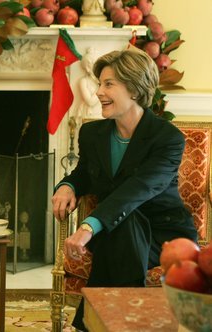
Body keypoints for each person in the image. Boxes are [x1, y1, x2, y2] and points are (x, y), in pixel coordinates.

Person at [51, 48, 197, 331]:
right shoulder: (92, 134)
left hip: (162, 233)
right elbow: (85, 173)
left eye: (108, 84)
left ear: (133, 88)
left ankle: (89, 325)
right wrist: (68, 186)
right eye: (99, 84)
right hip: (113, 228)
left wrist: (88, 227)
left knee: (124, 226)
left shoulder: (167, 138)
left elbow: (138, 189)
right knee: (124, 229)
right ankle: (125, 323)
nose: (98, 92)